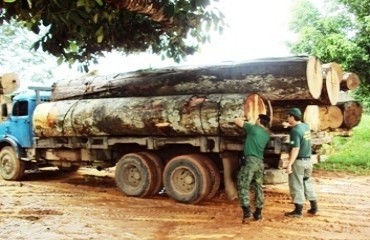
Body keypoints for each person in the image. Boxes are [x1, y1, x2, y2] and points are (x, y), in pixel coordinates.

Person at [234, 114, 271, 224]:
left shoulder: (253, 128)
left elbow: (236, 120)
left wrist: (245, 117)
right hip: (260, 163)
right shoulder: (266, 134)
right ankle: (258, 213)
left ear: (259, 120)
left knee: (243, 185)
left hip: (250, 162)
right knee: (258, 187)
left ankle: (246, 212)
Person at [283, 108, 318, 218]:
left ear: (292, 117)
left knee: (296, 185)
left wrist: (289, 164)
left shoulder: (295, 131)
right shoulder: (305, 126)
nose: (287, 118)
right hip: (308, 161)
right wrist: (288, 125)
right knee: (307, 182)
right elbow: (299, 129)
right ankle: (314, 207)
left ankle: (298, 211)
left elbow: (295, 149)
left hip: (299, 162)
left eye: (288, 117)